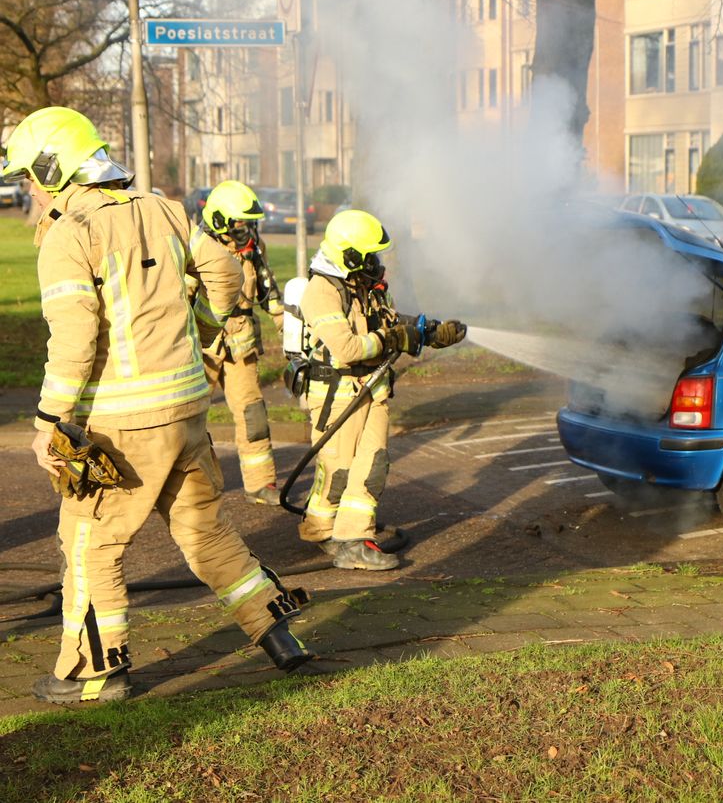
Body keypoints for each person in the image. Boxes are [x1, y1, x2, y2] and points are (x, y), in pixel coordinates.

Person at [3, 106, 314, 704]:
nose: (32, 191)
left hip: (121, 428)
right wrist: (211, 321)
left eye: (31, 177)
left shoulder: (72, 233)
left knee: (90, 544)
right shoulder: (166, 209)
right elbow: (221, 268)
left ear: (53, 168)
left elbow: (73, 340)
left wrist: (47, 421)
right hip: (188, 414)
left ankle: (95, 674)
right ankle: (279, 636)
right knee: (207, 533)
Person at [298, 209, 465, 570]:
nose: (376, 262)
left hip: (373, 389)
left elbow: (387, 322)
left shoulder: (360, 285)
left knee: (373, 464)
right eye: (370, 254)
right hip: (338, 394)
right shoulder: (322, 291)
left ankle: (353, 540)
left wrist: (428, 332)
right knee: (338, 469)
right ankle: (321, 529)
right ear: (351, 255)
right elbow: (346, 349)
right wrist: (394, 338)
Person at [190, 180, 284, 505]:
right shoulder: (196, 247)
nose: (246, 229)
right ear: (220, 221)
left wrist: (290, 333)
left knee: (252, 412)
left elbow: (270, 292)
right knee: (188, 418)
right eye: (240, 222)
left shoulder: (253, 247)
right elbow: (180, 297)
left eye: (249, 222)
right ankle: (192, 488)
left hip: (241, 342)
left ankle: (261, 484)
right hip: (202, 344)